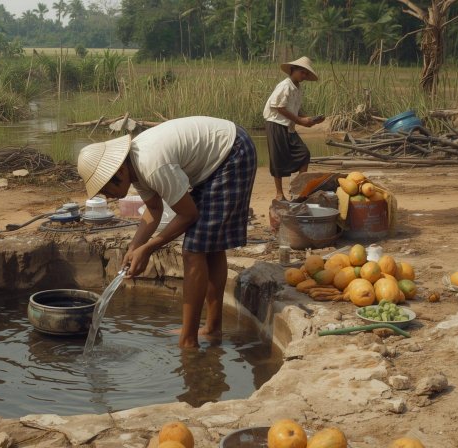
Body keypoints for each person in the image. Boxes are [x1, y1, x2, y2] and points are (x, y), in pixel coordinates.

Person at [77, 116, 257, 348]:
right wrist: (134, 247)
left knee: (193, 250)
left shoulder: (151, 165)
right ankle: (211, 329)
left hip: (233, 153)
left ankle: (189, 340)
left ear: (119, 171)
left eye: (105, 189)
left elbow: (188, 215)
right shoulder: (135, 167)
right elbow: (153, 210)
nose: (107, 197)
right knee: (209, 246)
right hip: (218, 156)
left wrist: (149, 248)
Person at [263, 56, 324, 201]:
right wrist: (300, 121)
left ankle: (298, 190)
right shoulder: (285, 86)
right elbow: (278, 107)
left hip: (288, 125)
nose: (303, 76)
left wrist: (309, 119)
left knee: (304, 155)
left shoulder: (297, 87)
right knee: (277, 158)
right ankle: (279, 194)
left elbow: (295, 108)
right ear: (293, 70)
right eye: (301, 72)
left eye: (305, 73)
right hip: (275, 123)